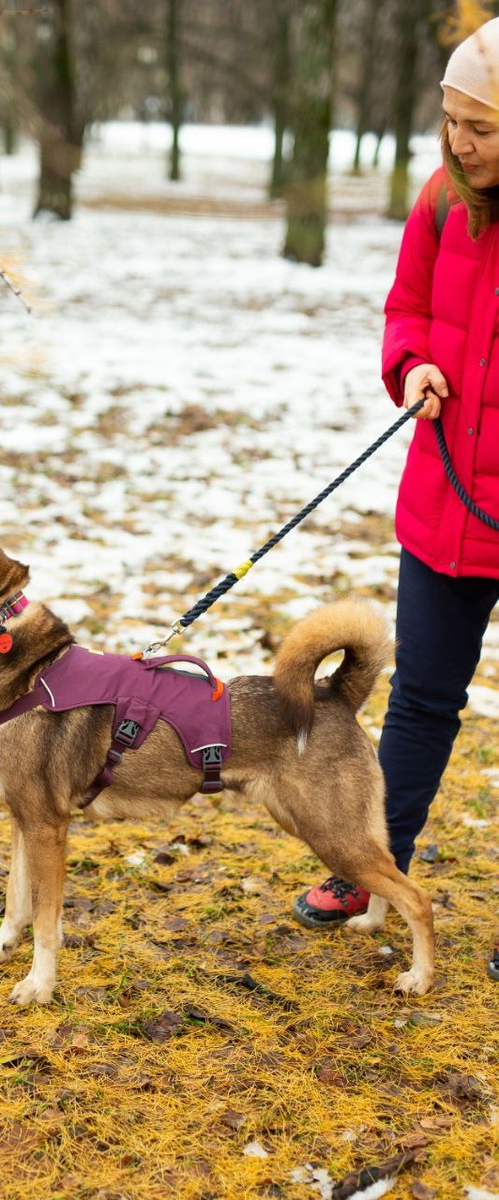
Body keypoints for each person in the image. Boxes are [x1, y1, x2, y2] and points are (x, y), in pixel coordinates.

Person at [292, 17, 499, 982]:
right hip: (442, 508)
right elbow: (406, 307)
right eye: (452, 122)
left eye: (483, 128)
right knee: (419, 701)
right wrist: (412, 363)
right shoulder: (440, 201)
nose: (460, 144)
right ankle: (375, 868)